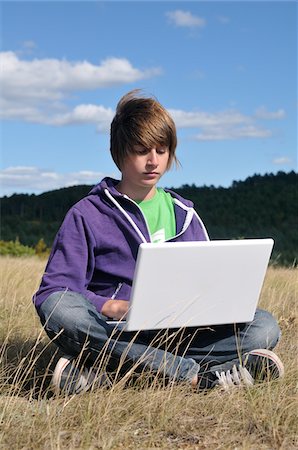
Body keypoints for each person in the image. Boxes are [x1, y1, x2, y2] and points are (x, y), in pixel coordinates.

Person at [33, 90, 284, 395]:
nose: (153, 161)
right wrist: (111, 306)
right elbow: (55, 289)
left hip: (178, 331)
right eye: (141, 150)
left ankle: (105, 372)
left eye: (161, 150)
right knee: (58, 309)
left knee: (265, 326)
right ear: (119, 152)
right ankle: (200, 376)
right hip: (113, 329)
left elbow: (207, 282)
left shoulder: (185, 215)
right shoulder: (87, 214)